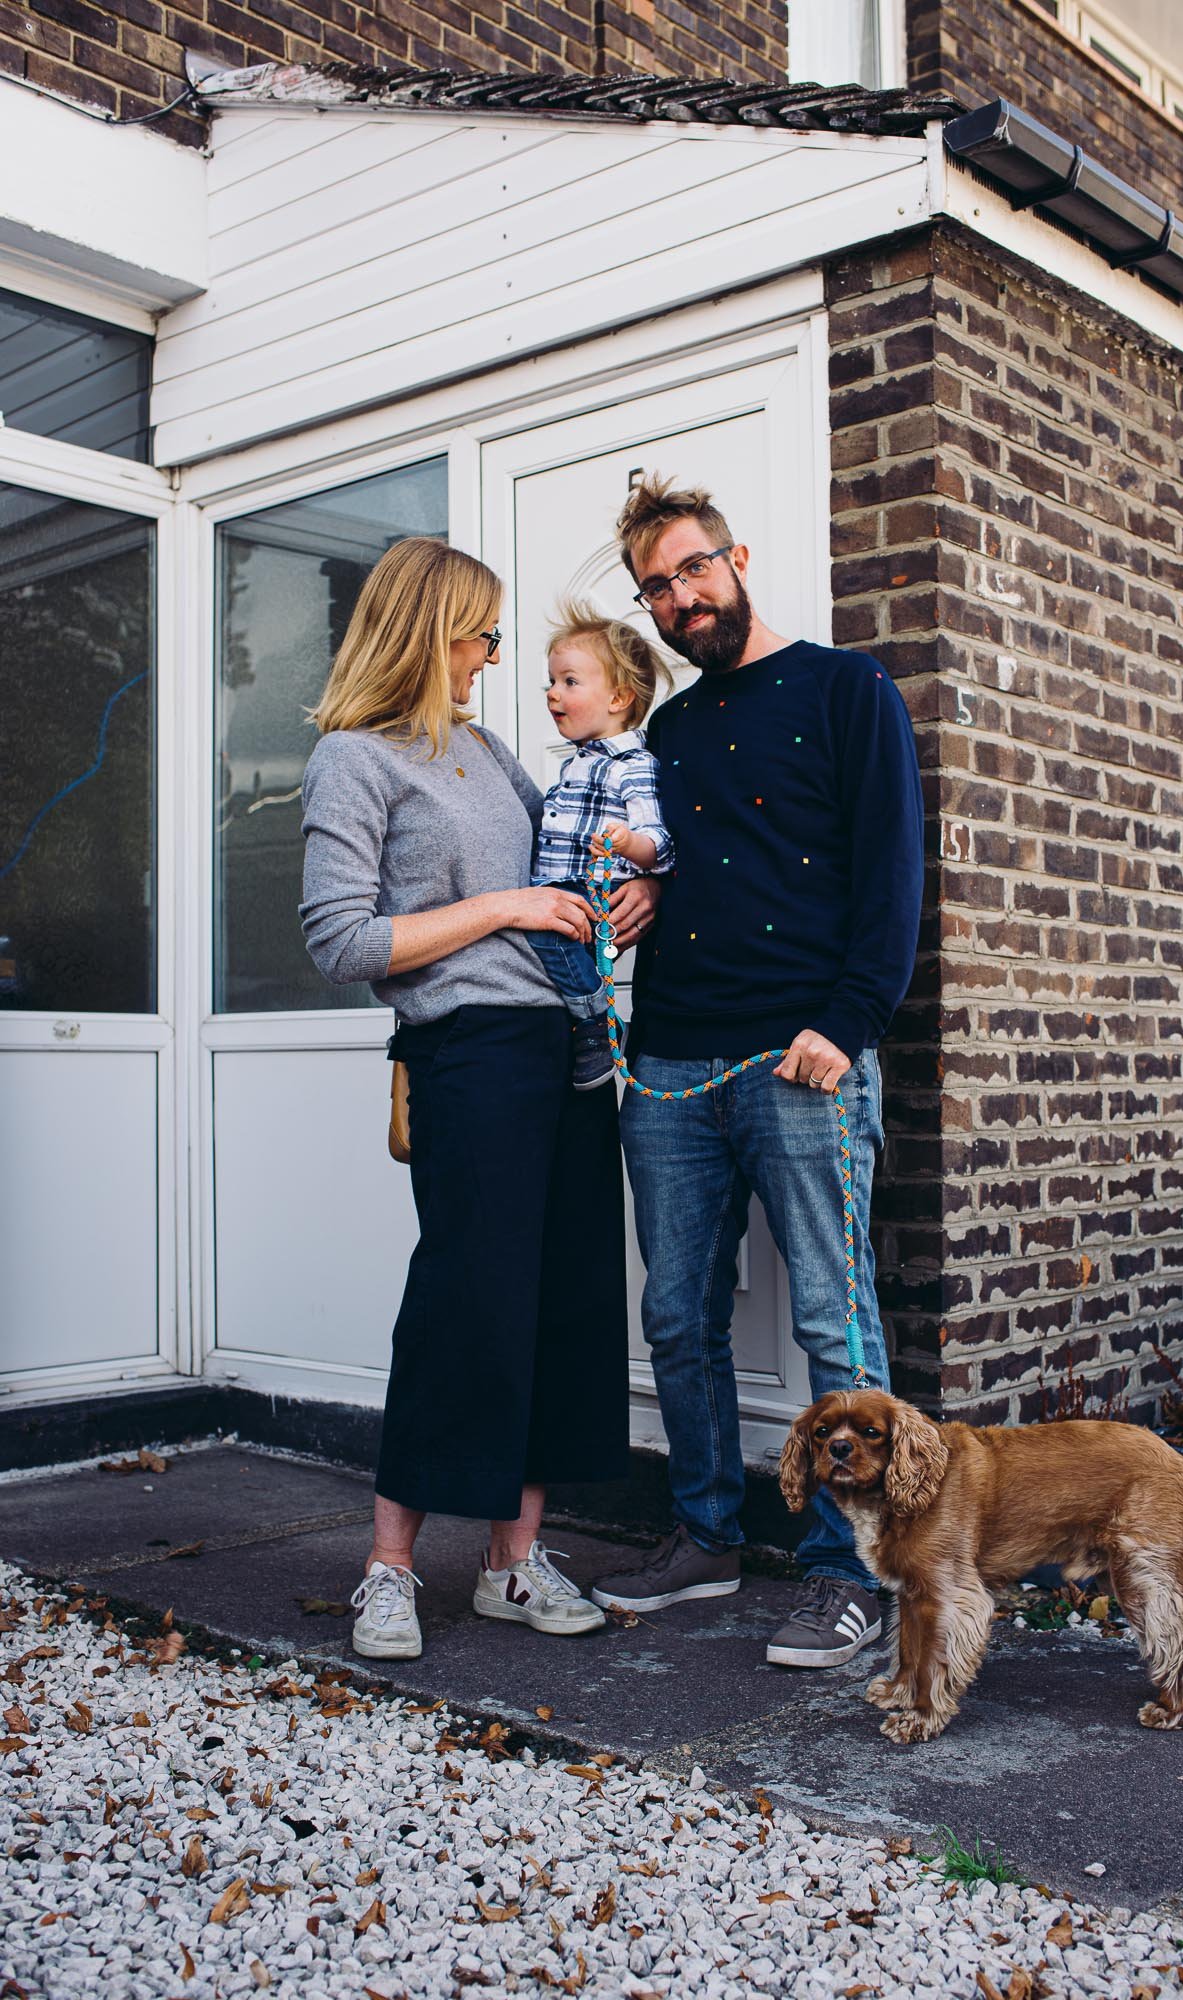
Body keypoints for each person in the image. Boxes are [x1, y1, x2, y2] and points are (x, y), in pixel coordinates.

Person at [589, 476, 925, 1669]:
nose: (680, 598)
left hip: (802, 1058)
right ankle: (706, 1534)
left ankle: (853, 1572)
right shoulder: (665, 733)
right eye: (657, 588)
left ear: (737, 557)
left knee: (838, 1322)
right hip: (672, 1063)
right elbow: (688, 858)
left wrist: (850, 1019)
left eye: (693, 570)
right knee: (676, 1311)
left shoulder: (849, 690)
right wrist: (647, 890)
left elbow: (891, 876)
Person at [299, 537, 652, 1660]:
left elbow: (567, 873)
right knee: (465, 1300)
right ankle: (390, 1568)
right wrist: (503, 907)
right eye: (481, 636)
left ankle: (513, 1561)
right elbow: (340, 937)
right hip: (469, 1051)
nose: (493, 659)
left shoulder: (491, 749)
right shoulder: (355, 759)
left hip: (566, 1051)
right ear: (426, 630)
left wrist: (630, 878)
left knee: (561, 1298)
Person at [525, 602, 675, 1089]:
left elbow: (660, 843)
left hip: (592, 889)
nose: (552, 694)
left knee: (548, 937)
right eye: (551, 682)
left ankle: (599, 1026)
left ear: (618, 698)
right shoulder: (577, 763)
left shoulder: (631, 764)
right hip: (560, 885)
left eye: (569, 682)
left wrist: (627, 842)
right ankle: (590, 1030)